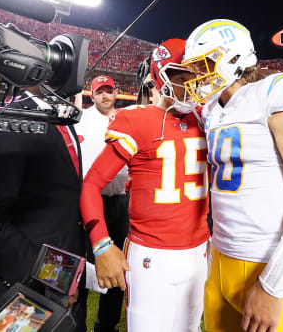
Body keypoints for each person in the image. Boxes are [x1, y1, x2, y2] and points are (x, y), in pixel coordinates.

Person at [180, 19, 283, 332]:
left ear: (233, 58)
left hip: (267, 264)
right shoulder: (209, 109)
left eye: (205, 64)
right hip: (219, 259)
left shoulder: (272, 92)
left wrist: (272, 286)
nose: (197, 75)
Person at [81, 39, 210, 332]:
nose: (192, 85)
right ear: (160, 78)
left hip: (200, 250)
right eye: (182, 77)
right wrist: (102, 244)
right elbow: (91, 184)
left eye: (196, 77)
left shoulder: (205, 117)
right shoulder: (136, 120)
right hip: (152, 255)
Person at [0, 88, 87, 332]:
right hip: (16, 283)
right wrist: (51, 277)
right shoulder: (10, 118)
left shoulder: (60, 115)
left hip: (59, 276)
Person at [74, 75, 128, 332]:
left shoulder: (126, 119)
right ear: (92, 95)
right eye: (100, 92)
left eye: (109, 91)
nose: (105, 96)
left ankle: (105, 326)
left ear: (115, 93)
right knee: (81, 267)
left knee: (118, 267)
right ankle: (77, 324)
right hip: (88, 201)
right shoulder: (81, 119)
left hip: (120, 203)